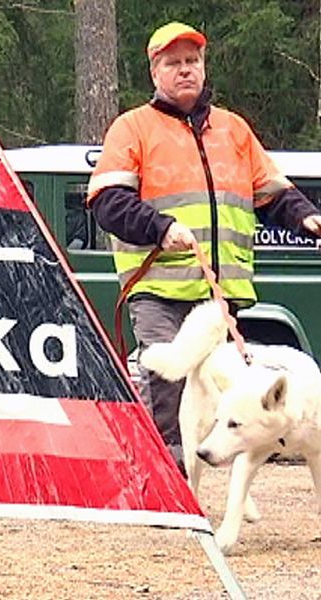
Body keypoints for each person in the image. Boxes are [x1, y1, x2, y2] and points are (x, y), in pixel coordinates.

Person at [86, 21, 321, 471]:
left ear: (203, 66)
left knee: (224, 390)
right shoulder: (132, 128)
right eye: (173, 63)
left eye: (192, 61)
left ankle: (209, 484)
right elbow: (106, 201)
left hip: (222, 296)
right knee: (167, 384)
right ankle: (166, 483)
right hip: (160, 289)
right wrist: (158, 226)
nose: (185, 70)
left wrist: (305, 217)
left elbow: (272, 192)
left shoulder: (234, 130)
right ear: (155, 72)